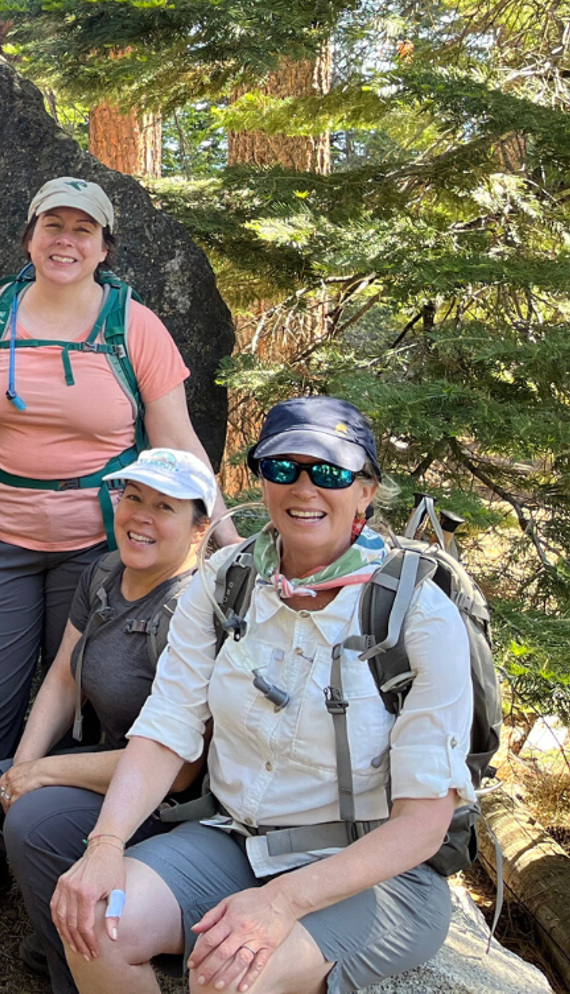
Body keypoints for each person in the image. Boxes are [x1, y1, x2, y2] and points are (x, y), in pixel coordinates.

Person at [50, 397, 473, 994]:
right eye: (283, 469)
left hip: (369, 872)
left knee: (232, 975)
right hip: (234, 838)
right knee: (95, 924)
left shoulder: (417, 618)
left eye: (330, 472)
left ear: (367, 491)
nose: (304, 489)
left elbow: (424, 824)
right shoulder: (224, 579)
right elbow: (167, 726)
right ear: (261, 480)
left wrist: (280, 902)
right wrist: (106, 844)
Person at [0, 175, 224, 930]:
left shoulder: (136, 327)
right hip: (0, 536)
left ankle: (57, 859)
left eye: (82, 230)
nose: (65, 240)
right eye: (51, 225)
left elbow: (177, 440)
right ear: (29, 237)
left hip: (103, 550)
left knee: (90, 706)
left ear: (104, 246)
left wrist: (222, 540)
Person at [0, 448, 218, 991]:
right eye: (133, 498)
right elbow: (63, 676)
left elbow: (181, 770)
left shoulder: (194, 609)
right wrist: (25, 764)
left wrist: (45, 775)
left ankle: (78, 969)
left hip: (173, 803)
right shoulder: (106, 572)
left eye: (165, 507)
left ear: (200, 529)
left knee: (34, 821)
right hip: (110, 762)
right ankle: (59, 918)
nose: (141, 517)